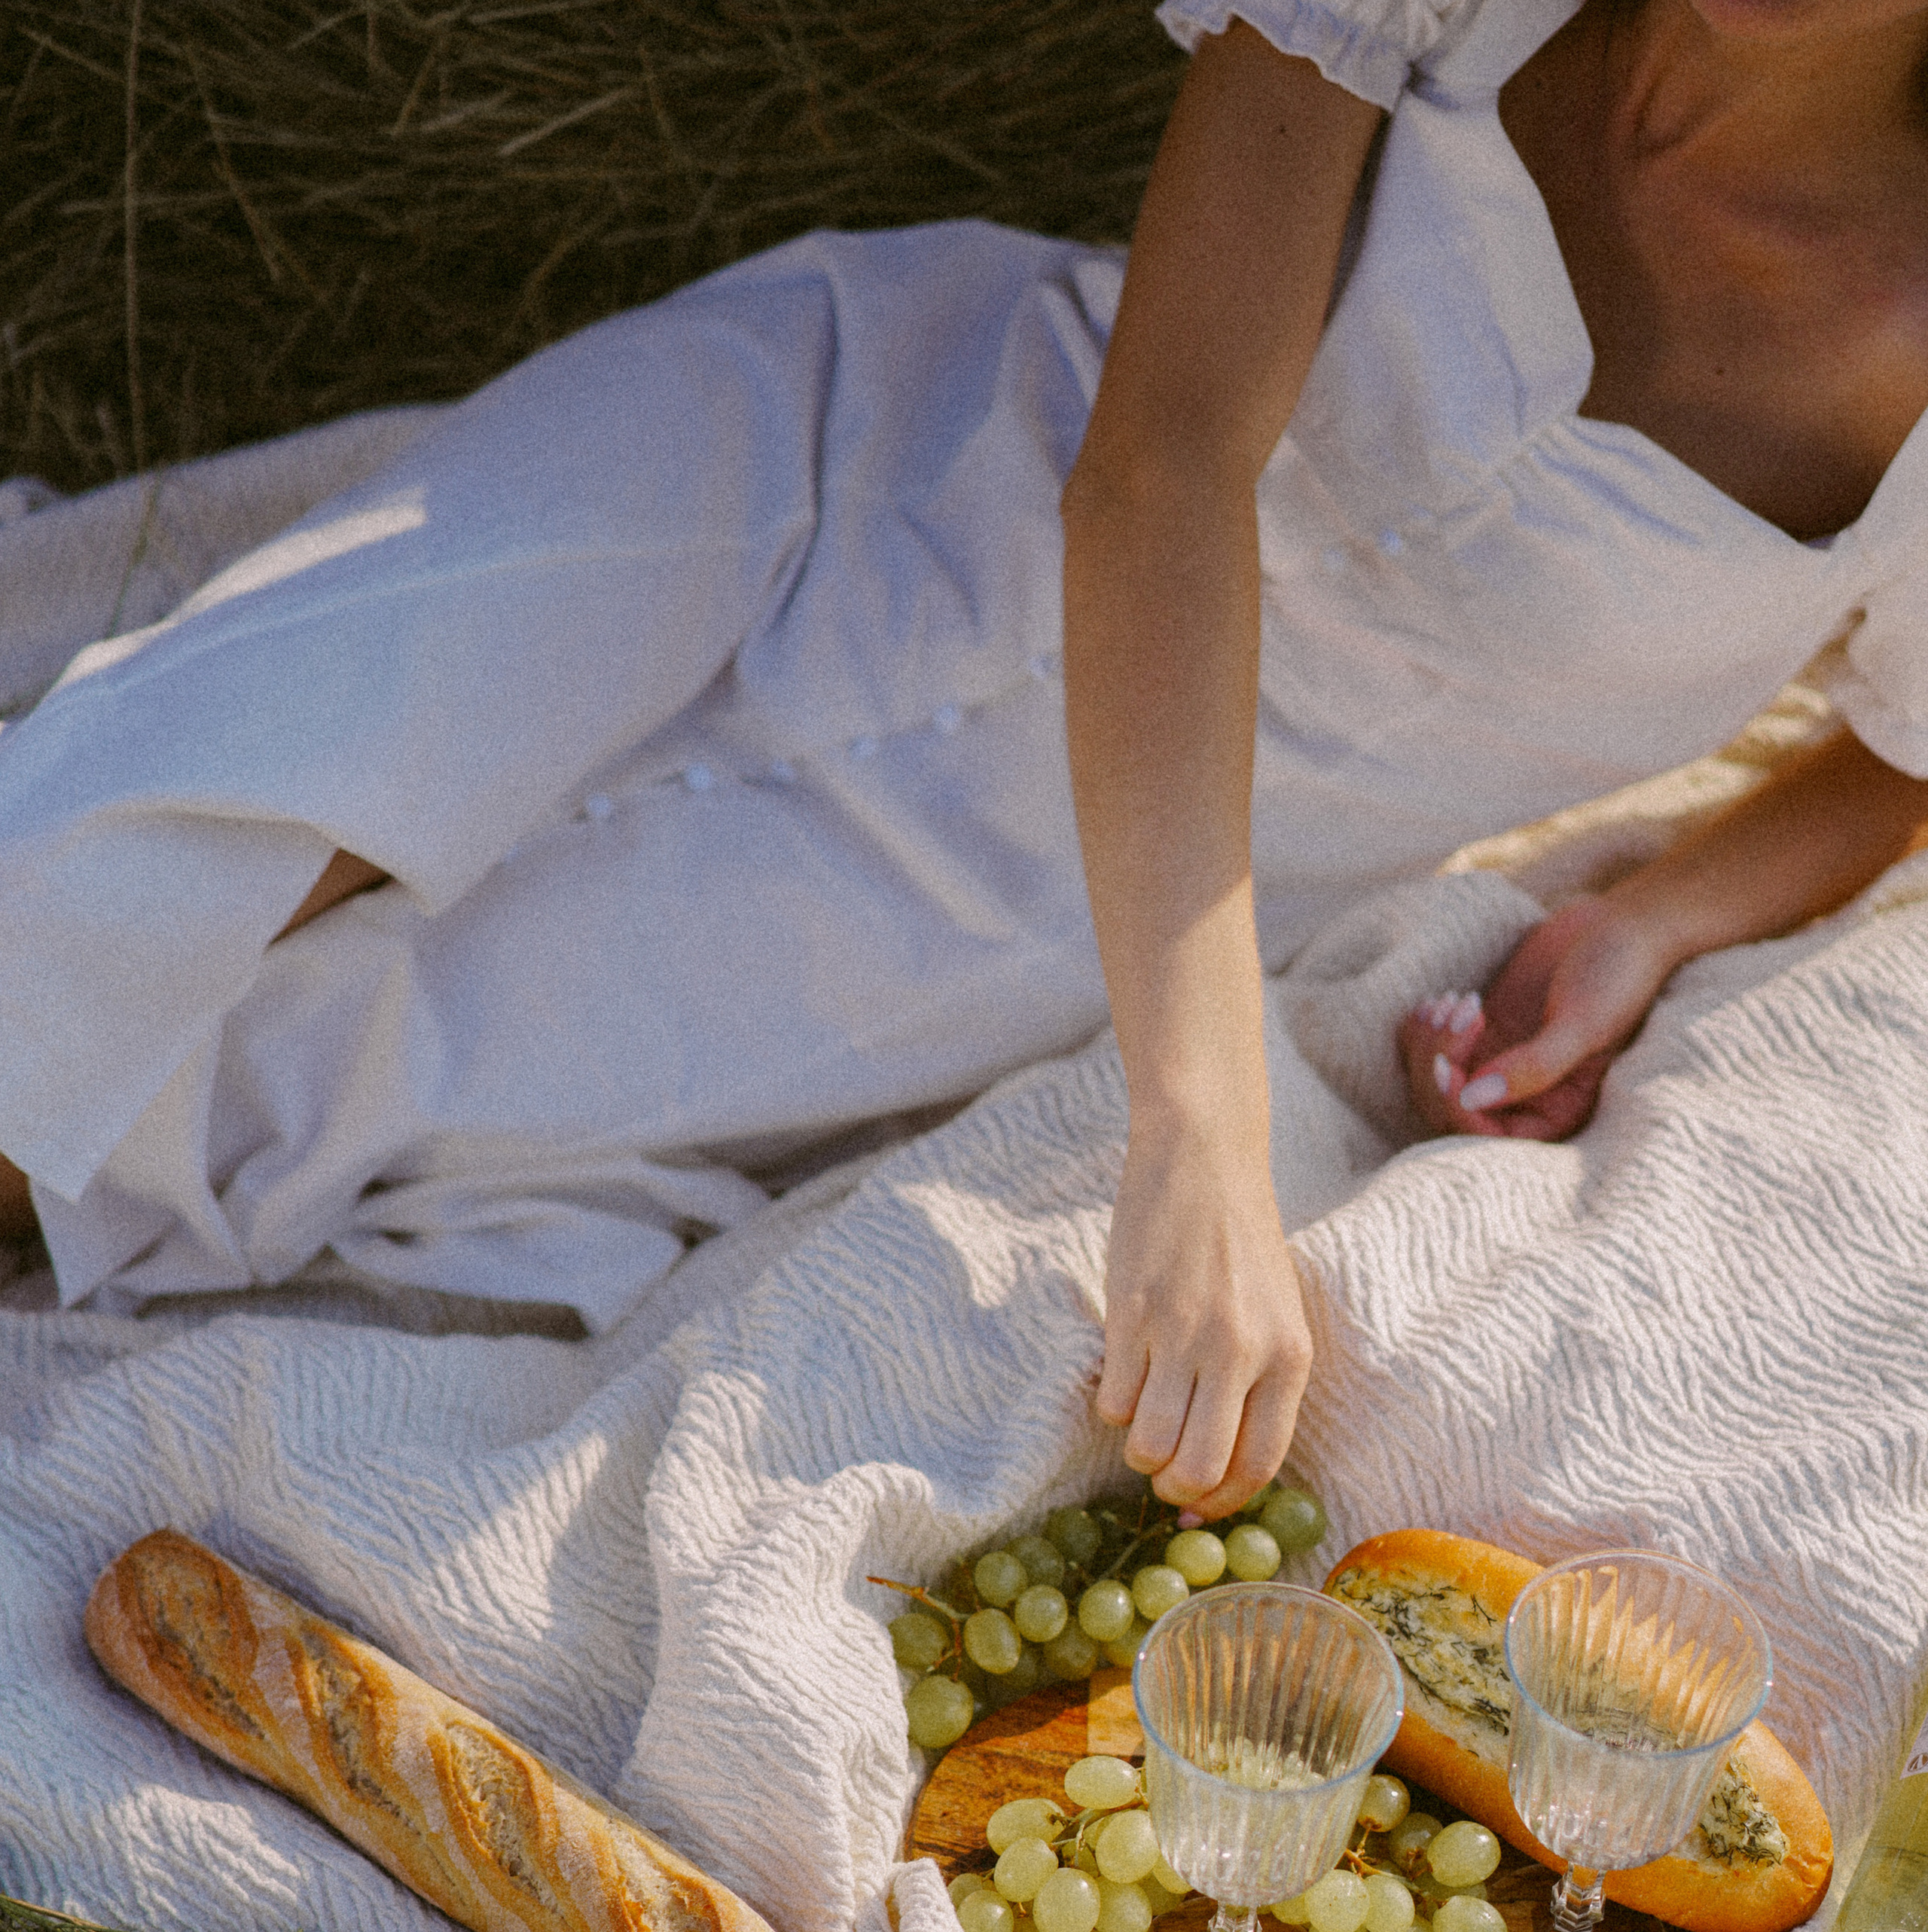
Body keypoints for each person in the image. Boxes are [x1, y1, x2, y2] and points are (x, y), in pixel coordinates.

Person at [2, 0, 1926, 1519]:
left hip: (1050, 880)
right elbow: (1162, 465)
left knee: (324, 1080)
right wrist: (1202, 1132)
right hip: (866, 449)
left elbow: (1904, 748)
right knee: (196, 781)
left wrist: (1661, 911)